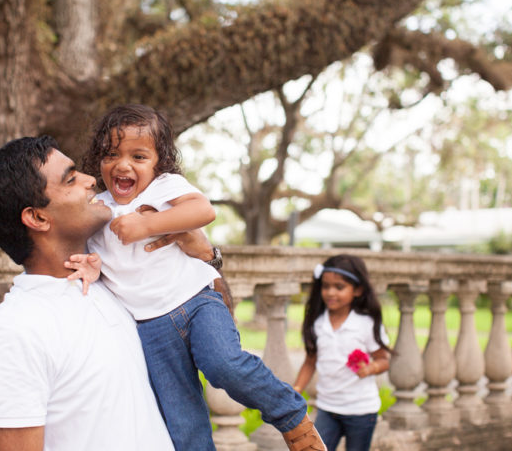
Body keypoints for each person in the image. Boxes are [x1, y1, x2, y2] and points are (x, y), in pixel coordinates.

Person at [73, 103, 326, 451]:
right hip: (150, 329)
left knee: (224, 365)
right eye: (111, 154)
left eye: (139, 156)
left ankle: (291, 416)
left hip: (196, 303)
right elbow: (105, 260)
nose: (123, 164)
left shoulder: (162, 189)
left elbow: (203, 210)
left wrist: (145, 224)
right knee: (182, 420)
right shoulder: (98, 209)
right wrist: (92, 266)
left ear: (159, 163)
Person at [0, 135, 218, 450]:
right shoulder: (13, 332)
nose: (92, 180)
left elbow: (216, 316)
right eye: (71, 179)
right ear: (37, 217)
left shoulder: (114, 282)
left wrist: (206, 254)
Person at [292, 254, 392, 451]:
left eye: (339, 287)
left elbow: (384, 360)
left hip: (361, 411)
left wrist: (370, 368)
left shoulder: (365, 323)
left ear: (357, 290)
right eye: (326, 286)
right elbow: (310, 361)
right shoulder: (318, 323)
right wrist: (296, 389)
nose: (330, 292)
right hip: (327, 409)